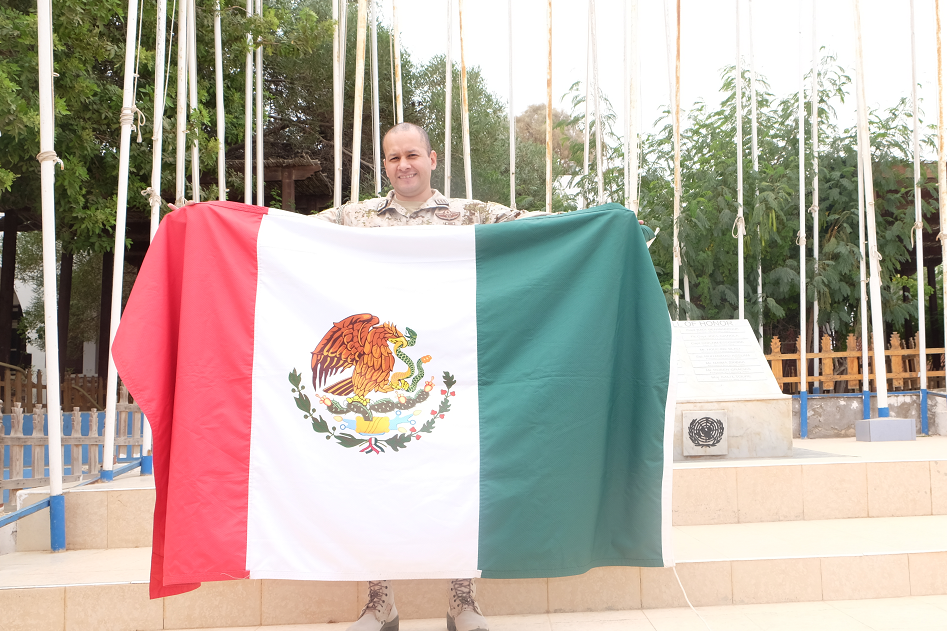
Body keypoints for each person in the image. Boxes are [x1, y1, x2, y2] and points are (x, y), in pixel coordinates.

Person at [315, 122, 534, 631]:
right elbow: (283, 232)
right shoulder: (355, 218)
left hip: (452, 371)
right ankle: (380, 603)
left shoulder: (469, 215)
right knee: (374, 481)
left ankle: (462, 601)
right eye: (393, 158)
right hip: (382, 378)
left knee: (457, 481)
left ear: (432, 159)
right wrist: (208, 220)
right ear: (384, 165)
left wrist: (605, 224)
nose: (403, 165)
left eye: (412, 155)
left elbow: (537, 226)